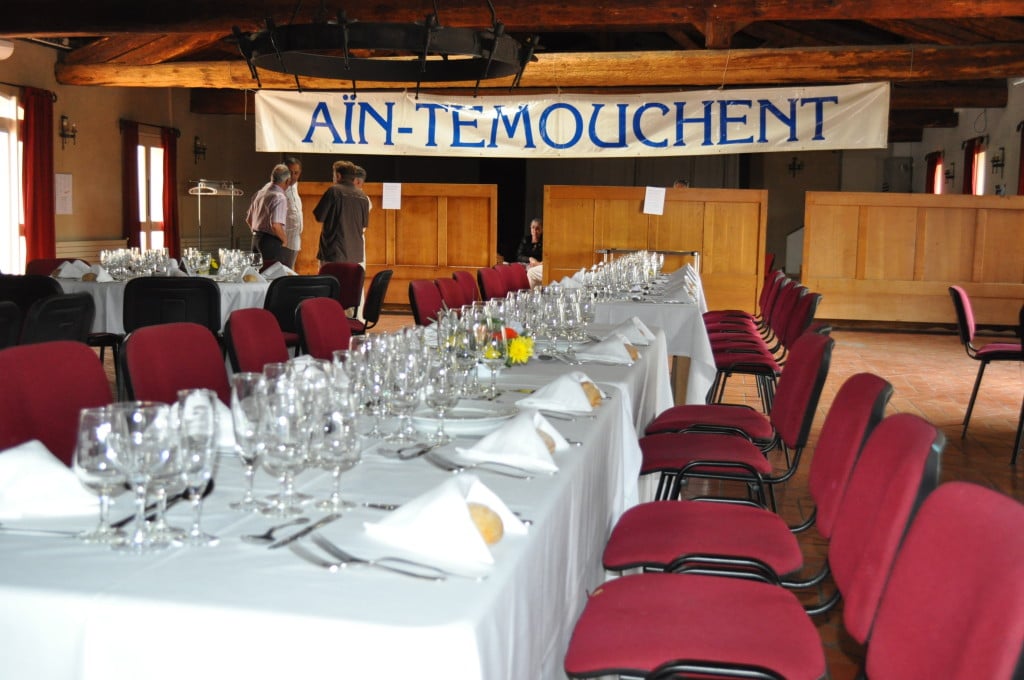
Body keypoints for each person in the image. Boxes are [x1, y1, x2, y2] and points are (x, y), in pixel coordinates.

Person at [312, 160, 370, 266]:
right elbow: (364, 224)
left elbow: (319, 216)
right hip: (355, 255)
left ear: (338, 176)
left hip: (333, 253)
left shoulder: (333, 191)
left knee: (330, 277)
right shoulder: (363, 197)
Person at [246, 163, 291, 266]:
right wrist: (285, 240)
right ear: (287, 181)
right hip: (270, 242)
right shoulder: (279, 197)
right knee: (273, 274)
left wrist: (258, 233)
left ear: (272, 177)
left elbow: (248, 219)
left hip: (255, 240)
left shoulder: (260, 193)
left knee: (257, 273)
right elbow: (275, 225)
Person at [281, 156, 303, 268]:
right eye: (290, 172)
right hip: (284, 242)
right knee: (283, 273)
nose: (293, 176)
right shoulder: (278, 188)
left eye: (296, 173)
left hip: (295, 240)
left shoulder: (295, 185)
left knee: (290, 271)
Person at [516, 217, 544, 287]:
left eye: (537, 228)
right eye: (533, 227)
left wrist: (537, 263)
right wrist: (529, 258)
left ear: (542, 230)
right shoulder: (526, 240)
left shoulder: (544, 241)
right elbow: (519, 256)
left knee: (532, 271)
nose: (534, 230)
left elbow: (546, 259)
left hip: (538, 266)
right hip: (527, 264)